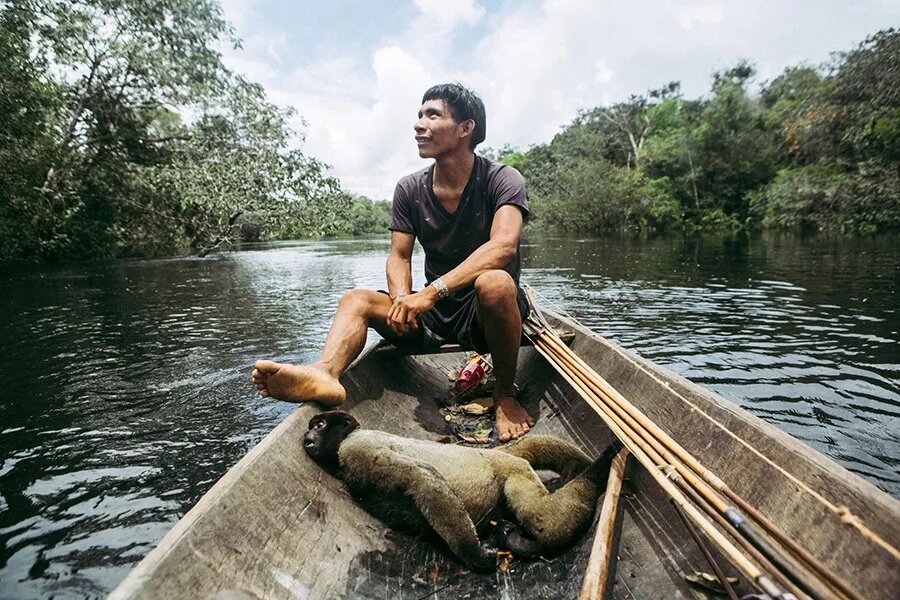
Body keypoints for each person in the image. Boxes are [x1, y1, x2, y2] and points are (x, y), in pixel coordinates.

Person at [251, 83, 535, 441]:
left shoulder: (502, 179)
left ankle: (505, 394)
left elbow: (503, 246)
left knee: (493, 282)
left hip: (487, 312)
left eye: (433, 115)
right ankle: (325, 373)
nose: (419, 124)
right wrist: (403, 300)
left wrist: (431, 293)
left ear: (466, 128)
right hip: (434, 315)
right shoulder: (409, 189)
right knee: (356, 299)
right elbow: (399, 256)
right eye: (419, 114)